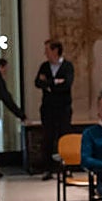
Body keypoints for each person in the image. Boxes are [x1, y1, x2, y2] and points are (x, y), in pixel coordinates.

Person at [35, 39, 74, 179]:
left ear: (55, 50)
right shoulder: (44, 66)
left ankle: (67, 167)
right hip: (48, 108)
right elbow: (38, 83)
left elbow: (67, 84)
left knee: (64, 137)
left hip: (63, 108)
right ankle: (48, 168)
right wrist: (55, 82)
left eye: (47, 50)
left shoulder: (67, 66)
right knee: (48, 137)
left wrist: (49, 85)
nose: (45, 53)